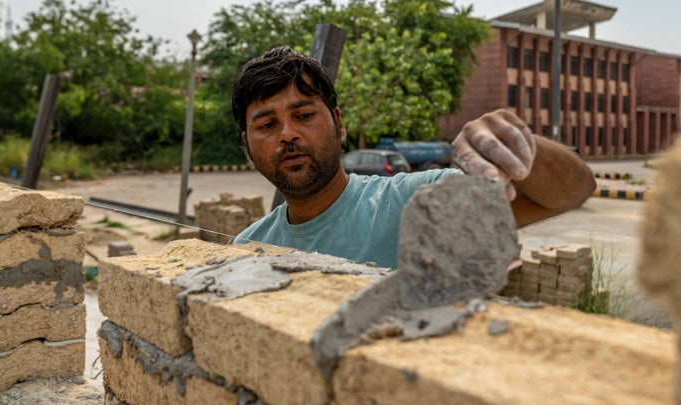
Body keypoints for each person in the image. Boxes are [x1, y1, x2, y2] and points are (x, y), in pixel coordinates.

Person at [232, 46, 596, 268]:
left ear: (339, 123)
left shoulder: (412, 203)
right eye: (267, 124)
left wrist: (517, 143)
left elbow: (575, 190)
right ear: (248, 145)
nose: (288, 134)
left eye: (304, 115)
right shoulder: (246, 249)